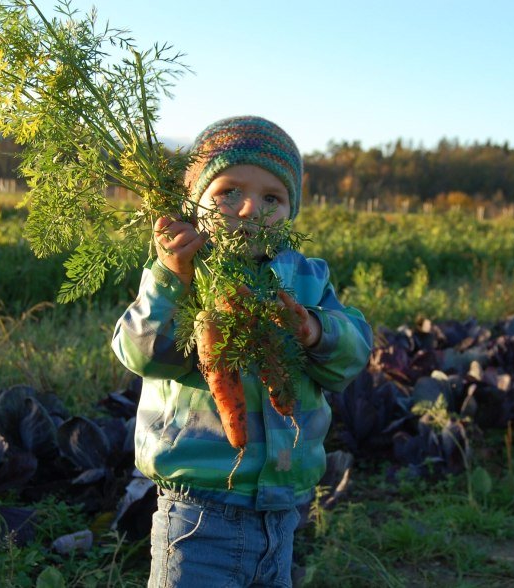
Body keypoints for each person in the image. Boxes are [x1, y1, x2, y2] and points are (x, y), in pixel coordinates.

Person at [111, 115, 372, 587]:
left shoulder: (308, 279)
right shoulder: (182, 274)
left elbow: (350, 359)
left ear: (291, 211)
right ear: (195, 203)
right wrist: (170, 277)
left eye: (272, 197)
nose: (250, 209)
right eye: (228, 191)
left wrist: (313, 330)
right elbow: (140, 351)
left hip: (283, 506)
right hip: (196, 510)